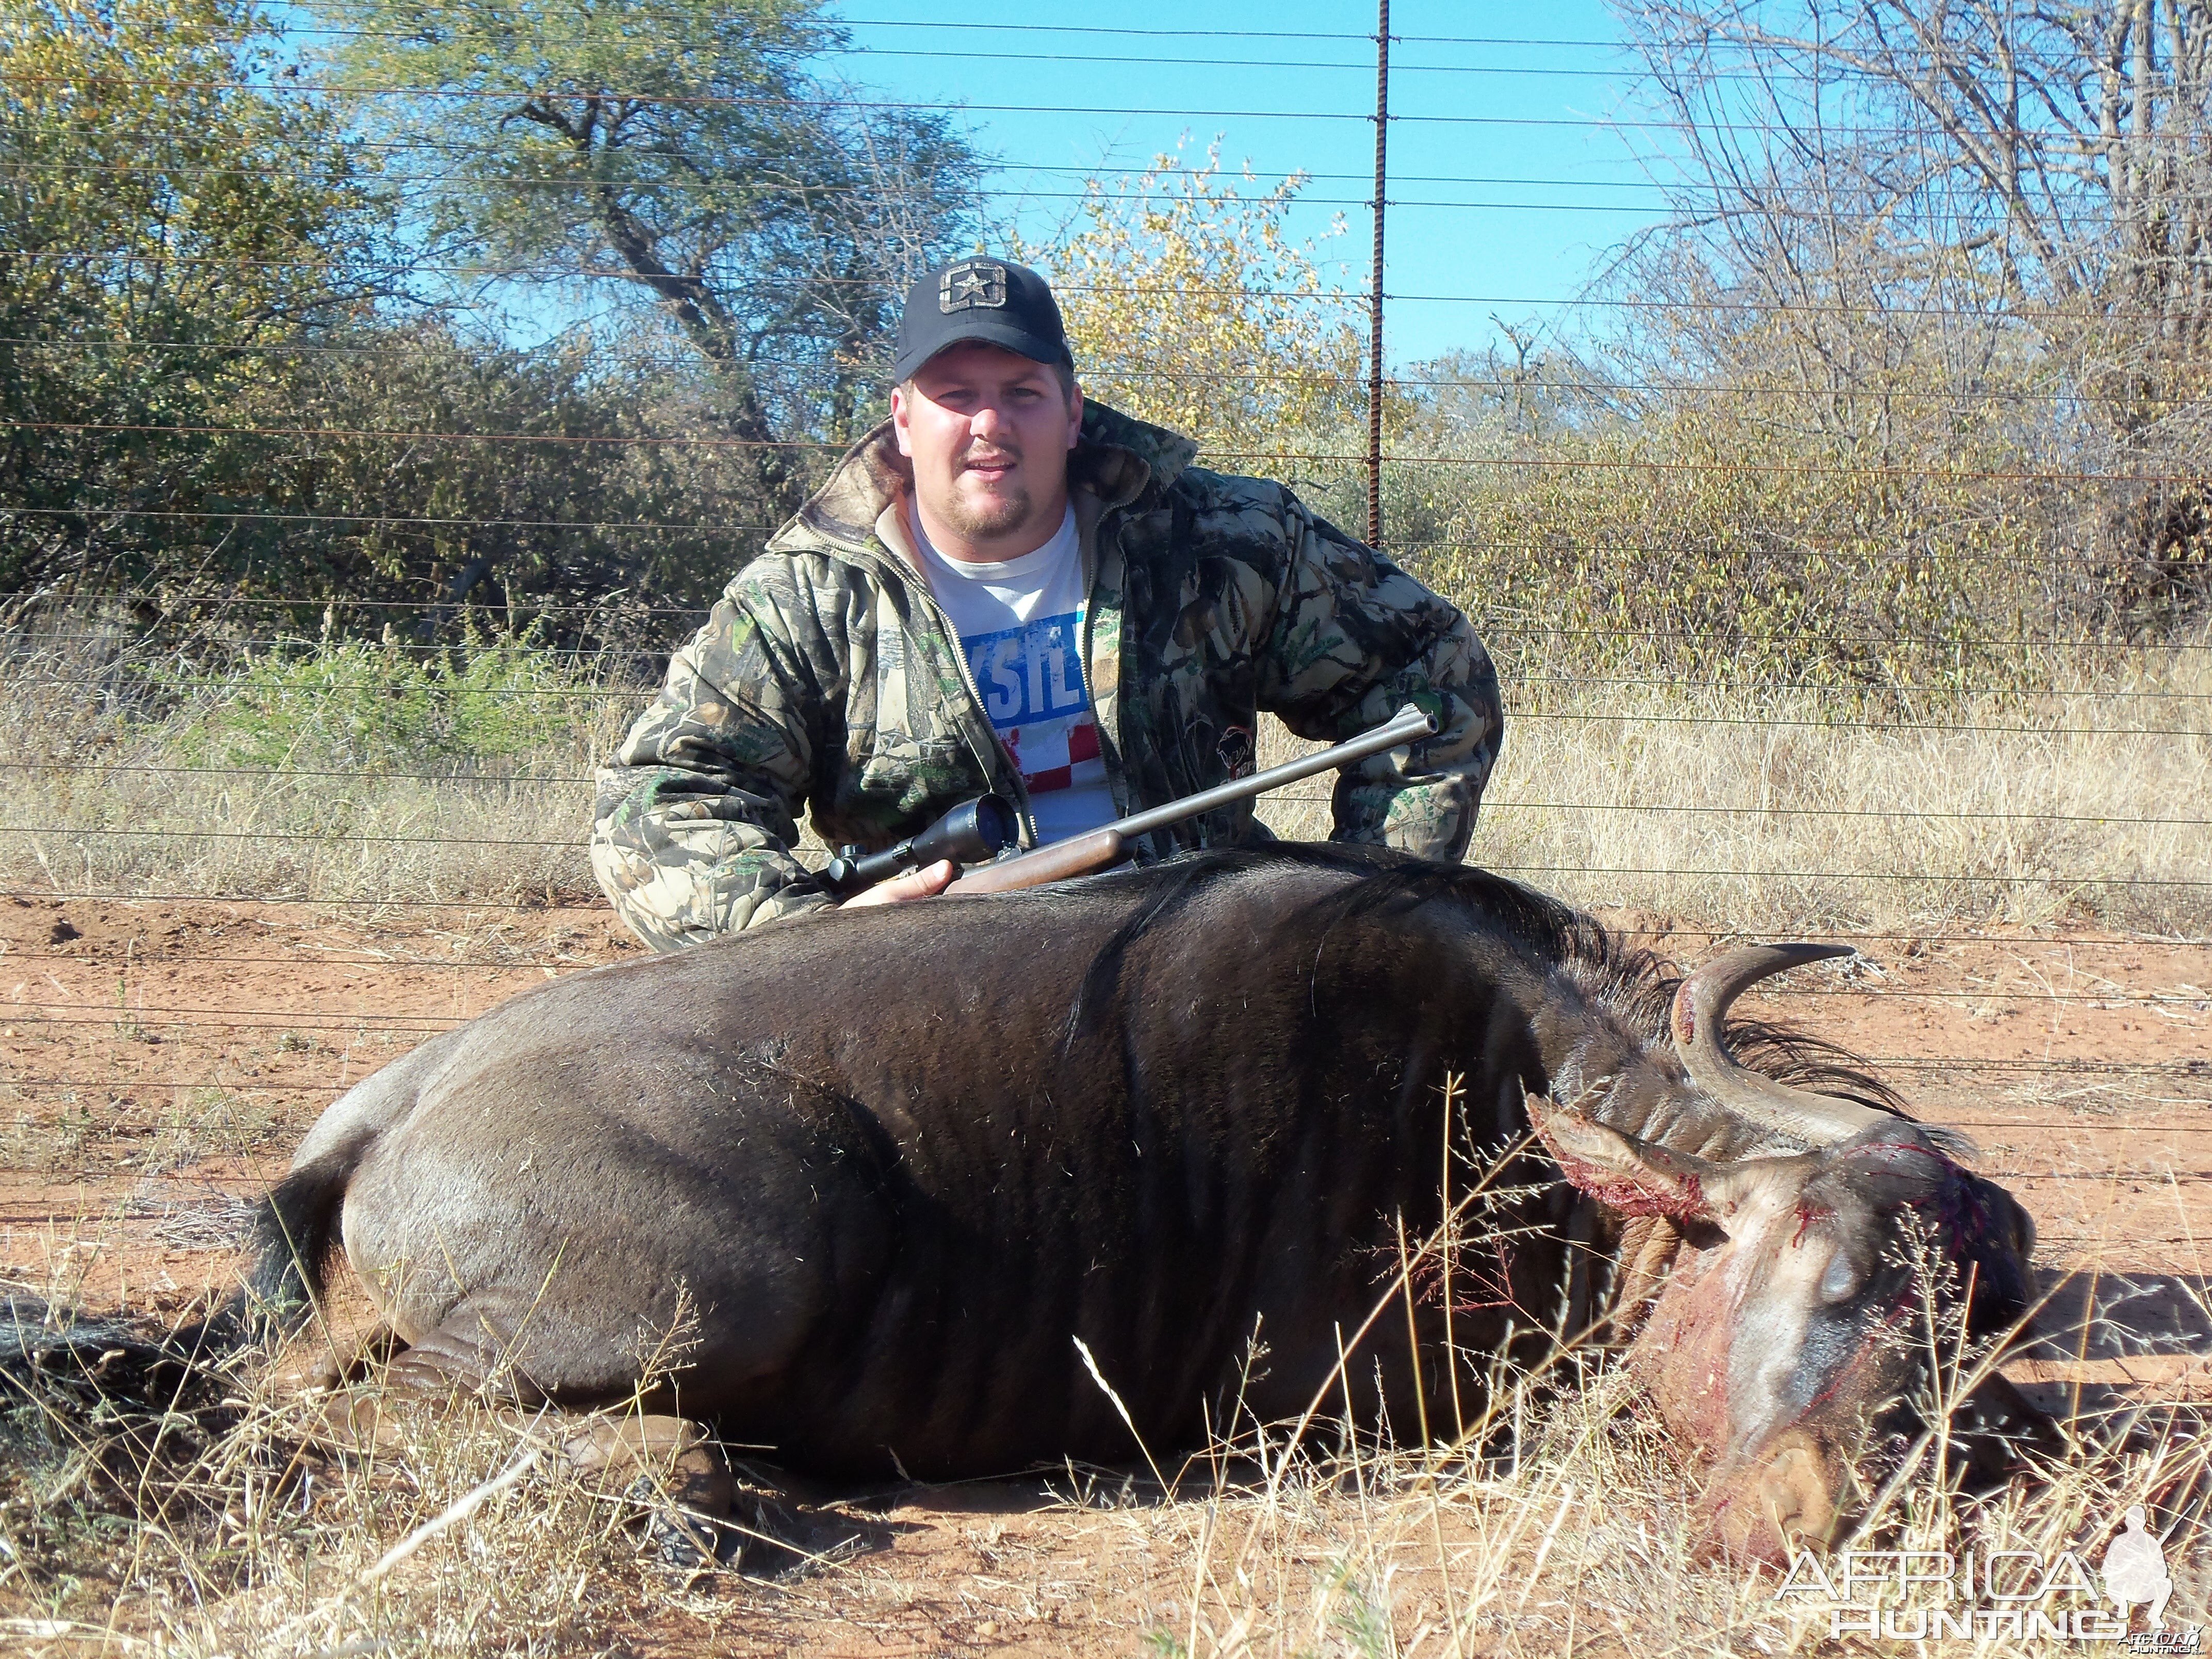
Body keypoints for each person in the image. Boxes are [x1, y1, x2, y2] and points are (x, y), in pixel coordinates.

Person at [591, 257, 1504, 949]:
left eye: (1022, 393)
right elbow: (658, 799)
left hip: (1197, 978)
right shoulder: (804, 598)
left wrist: (1358, 911)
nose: (990, 425)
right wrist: (799, 940)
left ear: (1072, 411)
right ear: (904, 420)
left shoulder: (1232, 537)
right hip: (928, 1003)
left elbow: (1433, 679)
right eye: (957, 396)